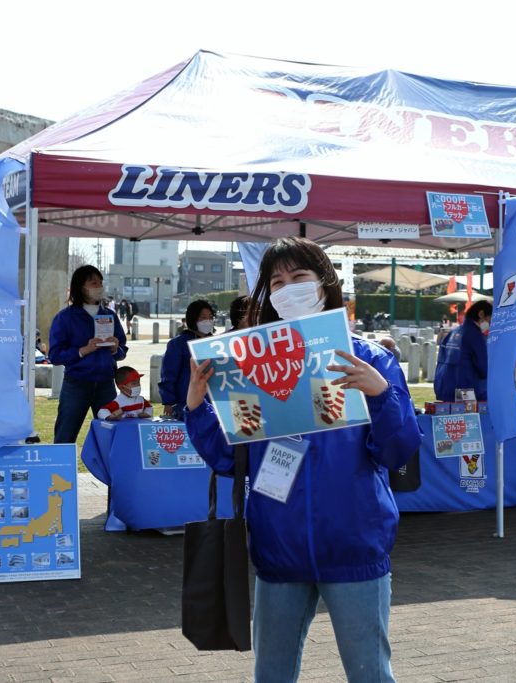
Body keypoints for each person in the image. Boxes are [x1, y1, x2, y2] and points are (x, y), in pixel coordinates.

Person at [184, 236, 420, 682]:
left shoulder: (368, 359)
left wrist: (381, 394)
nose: (288, 289)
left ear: (324, 281)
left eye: (299, 277)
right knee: (271, 674)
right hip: (279, 547)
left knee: (370, 673)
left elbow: (396, 451)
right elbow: (228, 459)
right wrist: (197, 407)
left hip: (354, 543)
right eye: (277, 282)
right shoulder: (250, 364)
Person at [48, 265, 128, 443]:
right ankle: (62, 463)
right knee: (65, 435)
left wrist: (115, 349)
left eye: (101, 283)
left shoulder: (110, 315)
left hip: (106, 383)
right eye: (93, 283)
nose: (99, 287)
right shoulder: (65, 317)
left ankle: (104, 463)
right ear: (81, 287)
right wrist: (83, 350)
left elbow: (123, 350)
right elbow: (55, 355)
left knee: (112, 437)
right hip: (77, 383)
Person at [159, 300, 216, 417]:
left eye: (210, 317)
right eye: (203, 317)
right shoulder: (178, 344)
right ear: (193, 318)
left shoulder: (216, 343)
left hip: (213, 402)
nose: (208, 321)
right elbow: (168, 374)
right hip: (185, 402)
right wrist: (169, 401)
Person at [433, 300, 493, 401]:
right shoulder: (475, 336)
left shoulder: (452, 333)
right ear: (481, 314)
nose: (489, 324)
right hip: (466, 393)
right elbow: (484, 369)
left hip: (445, 390)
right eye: (489, 320)